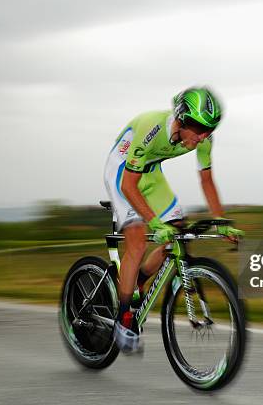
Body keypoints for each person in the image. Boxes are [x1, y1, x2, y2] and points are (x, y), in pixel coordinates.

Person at [103, 86, 244, 353]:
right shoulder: (152, 128)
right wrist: (152, 221)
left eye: (210, 130)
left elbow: (206, 179)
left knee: (177, 232)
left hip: (150, 172)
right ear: (180, 118)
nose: (204, 137)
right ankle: (123, 319)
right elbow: (129, 186)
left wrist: (220, 220)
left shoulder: (204, 139)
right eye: (199, 128)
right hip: (123, 172)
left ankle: (140, 279)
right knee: (137, 241)